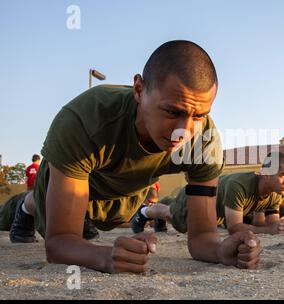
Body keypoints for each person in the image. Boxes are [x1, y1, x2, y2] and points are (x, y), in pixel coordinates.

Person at [0, 40, 262, 273]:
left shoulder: (203, 140)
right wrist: (105, 257)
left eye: (199, 115)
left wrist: (221, 250)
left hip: (122, 198)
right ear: (138, 89)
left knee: (94, 226)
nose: (185, 130)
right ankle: (28, 204)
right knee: (66, 222)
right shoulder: (85, 119)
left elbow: (202, 236)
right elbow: (58, 243)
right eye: (172, 111)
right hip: (69, 185)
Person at [141, 152, 284, 235]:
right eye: (283, 175)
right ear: (267, 174)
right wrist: (270, 230)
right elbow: (234, 228)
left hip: (216, 211)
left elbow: (264, 223)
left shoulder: (275, 194)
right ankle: (143, 211)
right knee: (173, 215)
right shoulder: (239, 185)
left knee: (183, 224)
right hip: (200, 196)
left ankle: (154, 215)